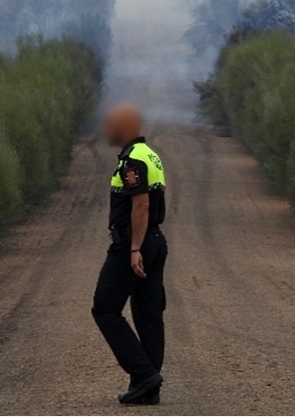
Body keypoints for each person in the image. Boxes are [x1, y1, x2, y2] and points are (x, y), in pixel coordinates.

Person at [92, 104, 169, 405]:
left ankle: (144, 375)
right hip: (156, 241)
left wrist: (134, 248)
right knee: (148, 314)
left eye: (110, 125)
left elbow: (141, 205)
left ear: (124, 128)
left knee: (105, 309)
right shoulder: (149, 154)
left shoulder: (132, 161)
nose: (105, 131)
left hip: (133, 245)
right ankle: (147, 387)